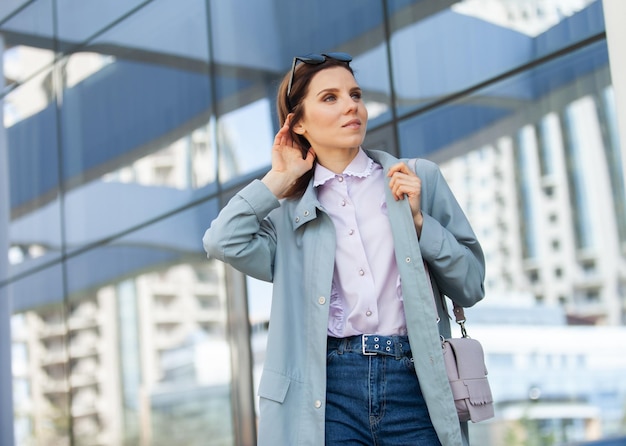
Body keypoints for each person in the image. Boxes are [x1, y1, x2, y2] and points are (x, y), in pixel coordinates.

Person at [203, 52, 485, 446]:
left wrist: (421, 224)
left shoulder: (416, 178)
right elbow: (221, 240)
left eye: (355, 94)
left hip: (417, 383)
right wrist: (278, 179)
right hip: (328, 393)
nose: (351, 105)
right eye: (330, 97)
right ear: (297, 122)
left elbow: (471, 285)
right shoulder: (287, 214)